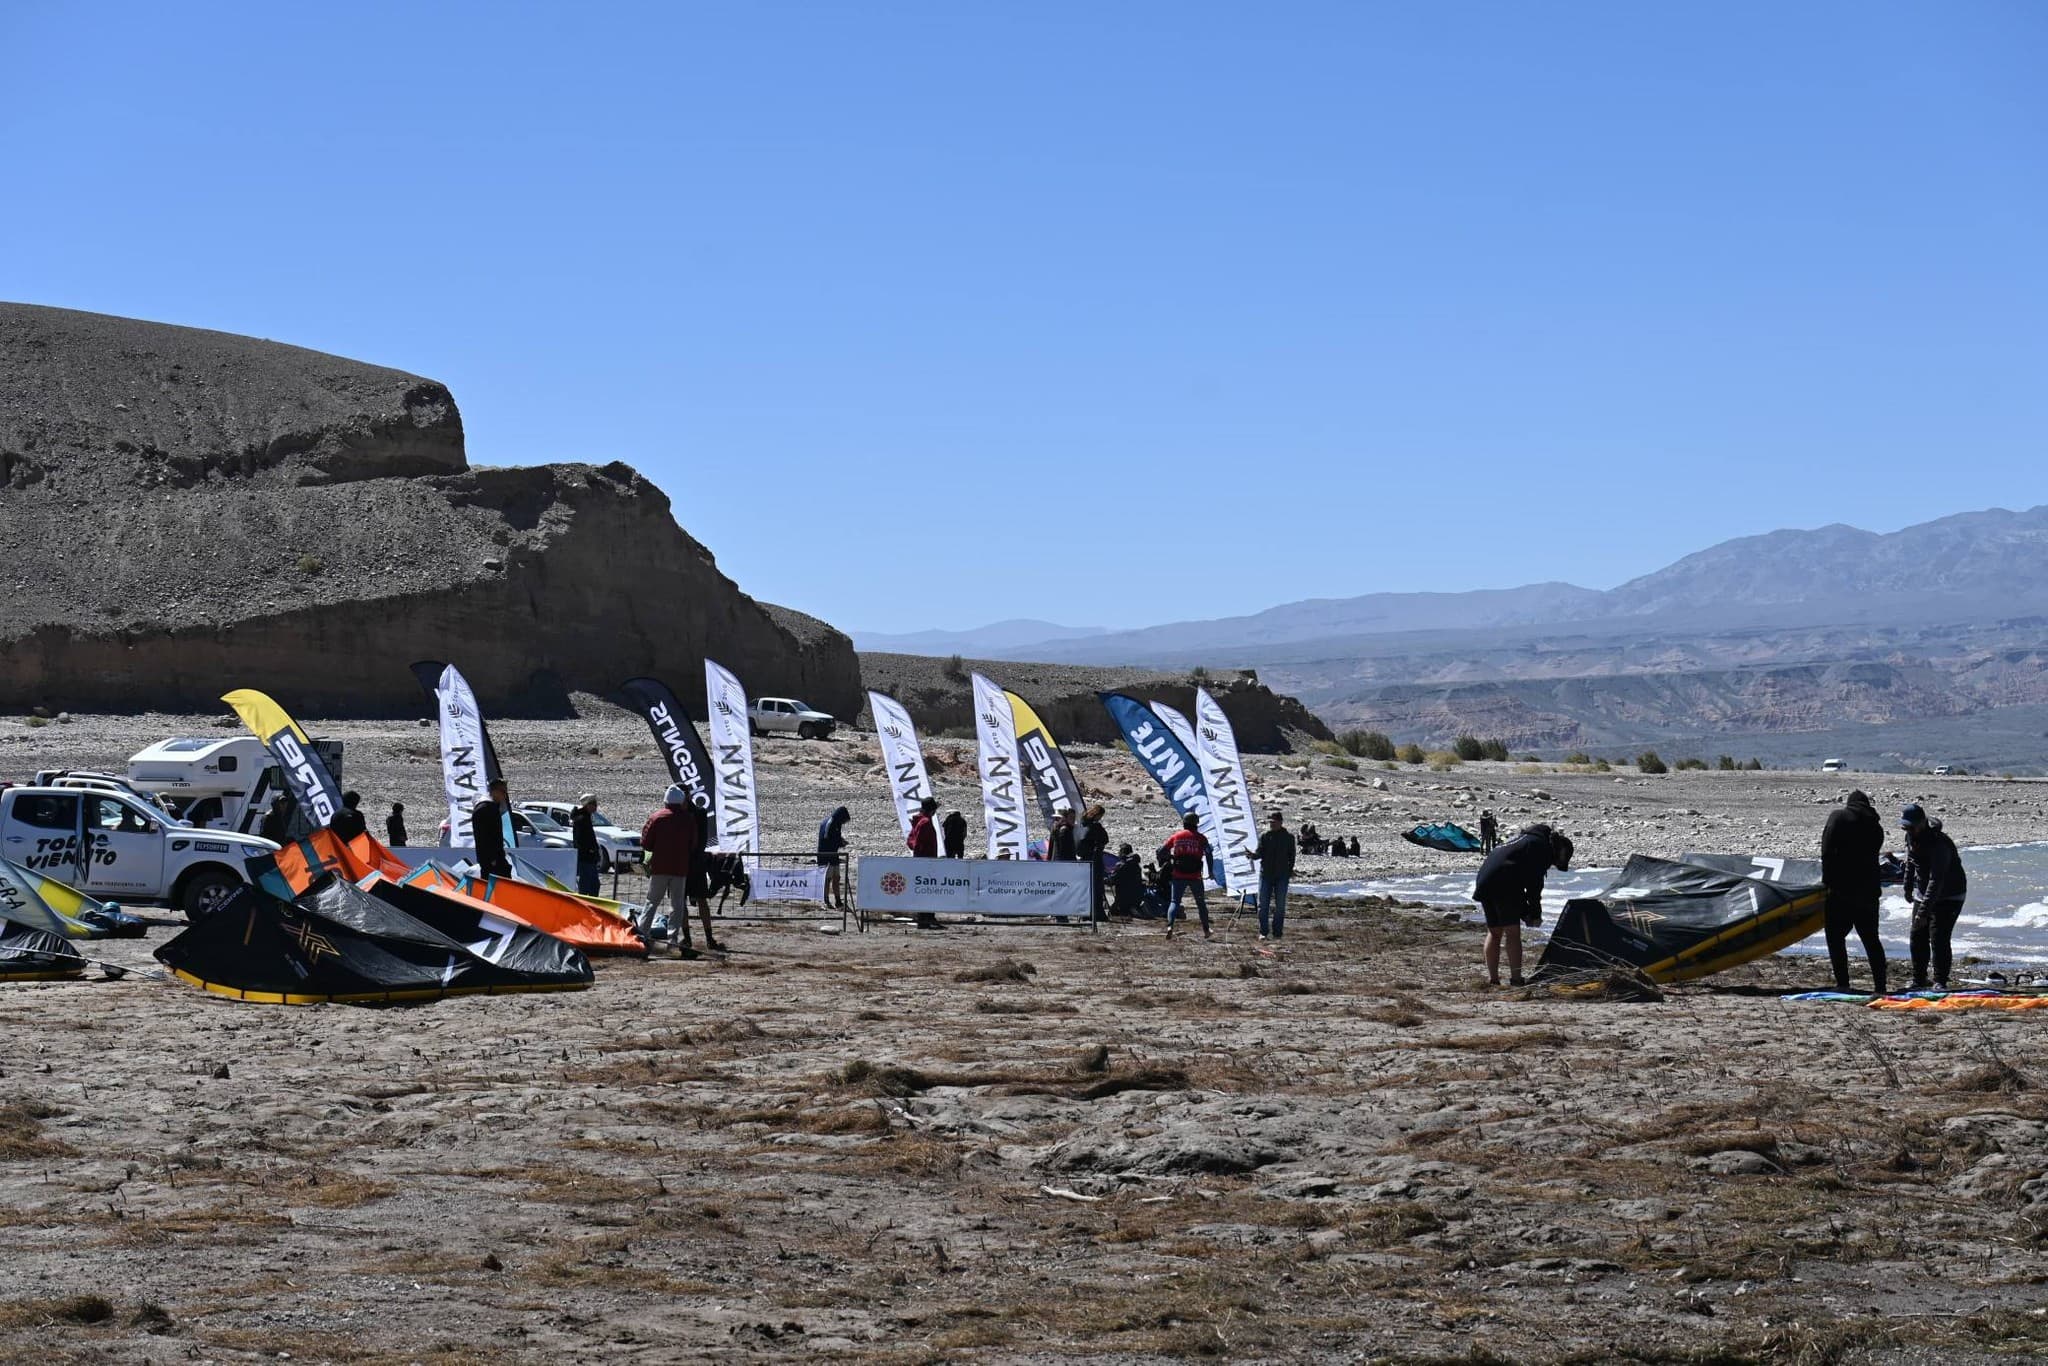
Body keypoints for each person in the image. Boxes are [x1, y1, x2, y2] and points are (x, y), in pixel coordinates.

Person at [1471, 822, 1574, 987]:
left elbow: (1521, 882)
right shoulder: (1541, 848)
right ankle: (1516, 979)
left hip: (1484, 881)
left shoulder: (1524, 840)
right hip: (1504, 882)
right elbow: (1534, 885)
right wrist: (1534, 914)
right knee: (1512, 933)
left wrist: (1527, 911)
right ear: (1559, 850)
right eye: (1557, 862)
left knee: (1495, 932)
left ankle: (1493, 979)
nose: (1553, 864)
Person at [1819, 790, 1887, 993]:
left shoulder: (1838, 817)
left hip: (1842, 891)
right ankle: (1880, 986)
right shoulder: (1876, 827)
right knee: (1871, 939)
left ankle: (1843, 983)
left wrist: (1827, 881)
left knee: (1835, 936)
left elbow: (1827, 851)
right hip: (1869, 892)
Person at [642, 784, 718, 957]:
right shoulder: (689, 818)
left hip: (669, 866)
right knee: (678, 905)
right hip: (682, 867)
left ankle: (643, 935)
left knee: (655, 902)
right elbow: (695, 843)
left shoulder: (659, 817)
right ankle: (677, 939)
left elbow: (646, 842)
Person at [1901, 803, 1967, 991]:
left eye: (1910, 826)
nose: (1907, 830)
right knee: (1916, 936)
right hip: (1924, 892)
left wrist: (1923, 912)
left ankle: (1940, 981)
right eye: (1904, 827)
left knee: (1938, 937)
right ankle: (1918, 979)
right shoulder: (1910, 835)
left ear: (1922, 824)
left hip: (1950, 894)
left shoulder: (1939, 844)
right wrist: (1907, 887)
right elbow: (1910, 861)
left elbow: (1936, 880)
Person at [1161, 812, 1215, 940]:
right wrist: (1211, 871)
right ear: (1196, 824)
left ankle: (1170, 926)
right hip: (1195, 876)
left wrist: (1170, 859)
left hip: (1178, 875)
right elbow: (1209, 854)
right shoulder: (1201, 838)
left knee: (1174, 901)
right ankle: (1206, 930)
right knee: (1201, 903)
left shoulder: (1177, 836)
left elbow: (1162, 850)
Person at [1249, 810, 1296, 942]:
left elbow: (1292, 857)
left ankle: (1277, 933)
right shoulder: (1265, 836)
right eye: (1270, 822)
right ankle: (1263, 932)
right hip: (1266, 875)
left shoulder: (1289, 837)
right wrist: (1252, 856)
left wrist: (1289, 871)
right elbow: (1259, 853)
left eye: (1274, 822)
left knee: (1280, 905)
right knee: (1263, 905)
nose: (1272, 824)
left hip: (1282, 875)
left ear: (1281, 822)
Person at [908, 796, 941, 928]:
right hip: (926, 862)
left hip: (923, 861)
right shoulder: (925, 822)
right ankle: (924, 919)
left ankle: (927, 918)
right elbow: (917, 844)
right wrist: (924, 857)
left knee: (925, 890)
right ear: (931, 810)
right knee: (926, 890)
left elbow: (911, 841)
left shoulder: (920, 821)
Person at [471, 779, 512, 878]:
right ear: (494, 791)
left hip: (491, 859)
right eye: (503, 792)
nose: (505, 796)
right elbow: (484, 837)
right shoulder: (487, 809)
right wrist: (493, 859)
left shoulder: (488, 807)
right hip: (492, 861)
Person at [1078, 805, 1110, 921]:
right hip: (1094, 860)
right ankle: (1096, 913)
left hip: (1085, 860)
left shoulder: (1084, 823)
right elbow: (1105, 839)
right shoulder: (1094, 827)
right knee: (1096, 887)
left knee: (1087, 888)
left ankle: (1086, 912)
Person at [817, 806, 851, 909]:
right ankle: (825, 900)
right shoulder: (830, 823)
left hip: (834, 854)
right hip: (825, 854)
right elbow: (826, 838)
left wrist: (841, 840)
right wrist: (840, 843)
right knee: (827, 879)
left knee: (836, 878)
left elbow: (836, 836)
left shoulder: (837, 824)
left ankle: (838, 902)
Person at [572, 793, 604, 898]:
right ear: (587, 805)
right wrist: (590, 850)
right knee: (587, 884)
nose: (596, 806)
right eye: (593, 804)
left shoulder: (586, 817)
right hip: (586, 857)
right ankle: (586, 905)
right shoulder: (581, 819)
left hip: (590, 857)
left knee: (593, 885)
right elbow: (580, 839)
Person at [1109, 843, 1147, 917]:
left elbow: (1113, 880)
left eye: (1119, 851)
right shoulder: (1137, 865)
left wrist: (1104, 879)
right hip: (1136, 899)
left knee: (1112, 913)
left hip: (1123, 899)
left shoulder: (1122, 865)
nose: (1118, 853)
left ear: (1122, 852)